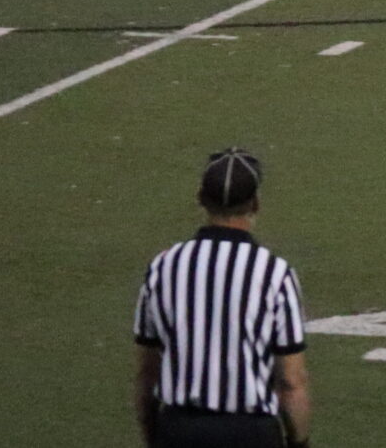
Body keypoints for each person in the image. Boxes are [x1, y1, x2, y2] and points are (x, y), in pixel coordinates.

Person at [132, 149, 312, 448]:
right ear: (255, 203)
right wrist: (299, 442)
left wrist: (155, 434)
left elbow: (147, 373)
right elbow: (291, 381)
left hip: (179, 429)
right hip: (250, 433)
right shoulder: (274, 273)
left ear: (200, 198)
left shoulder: (163, 266)